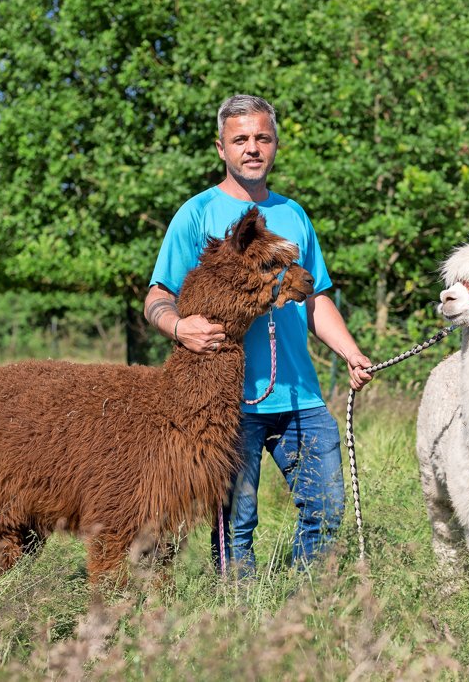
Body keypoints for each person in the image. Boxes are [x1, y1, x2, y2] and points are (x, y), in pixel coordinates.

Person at [144, 94, 373, 576]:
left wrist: (350, 352)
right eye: (240, 139)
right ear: (221, 148)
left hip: (299, 395)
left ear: (275, 145)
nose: (252, 148)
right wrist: (179, 325)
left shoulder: (294, 216)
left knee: (326, 510)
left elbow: (316, 299)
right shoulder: (197, 214)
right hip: (229, 402)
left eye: (262, 138)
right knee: (236, 524)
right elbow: (157, 296)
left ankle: (306, 607)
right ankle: (240, 618)